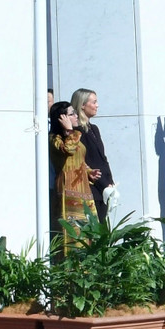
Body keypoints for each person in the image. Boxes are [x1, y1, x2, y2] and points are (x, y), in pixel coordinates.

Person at [49, 101, 95, 250]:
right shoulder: (54, 138)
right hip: (67, 188)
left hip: (83, 189)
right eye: (71, 114)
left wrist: (89, 172)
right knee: (72, 232)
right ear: (62, 118)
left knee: (88, 231)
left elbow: (78, 160)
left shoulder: (75, 136)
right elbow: (68, 150)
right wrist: (69, 130)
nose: (76, 116)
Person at [69, 89, 113, 224]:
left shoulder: (94, 129)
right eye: (94, 102)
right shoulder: (77, 132)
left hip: (104, 186)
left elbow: (102, 158)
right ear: (82, 105)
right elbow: (85, 160)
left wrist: (109, 182)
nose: (97, 105)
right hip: (91, 186)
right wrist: (103, 183)